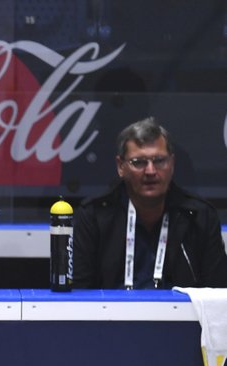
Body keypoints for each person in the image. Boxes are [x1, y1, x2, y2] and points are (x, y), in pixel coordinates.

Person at [73, 117, 227, 289]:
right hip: (112, 315)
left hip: (180, 315)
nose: (151, 171)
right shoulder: (94, 216)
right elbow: (80, 294)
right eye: (138, 162)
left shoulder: (200, 216)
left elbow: (218, 293)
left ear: (172, 164)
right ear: (120, 166)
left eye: (159, 161)